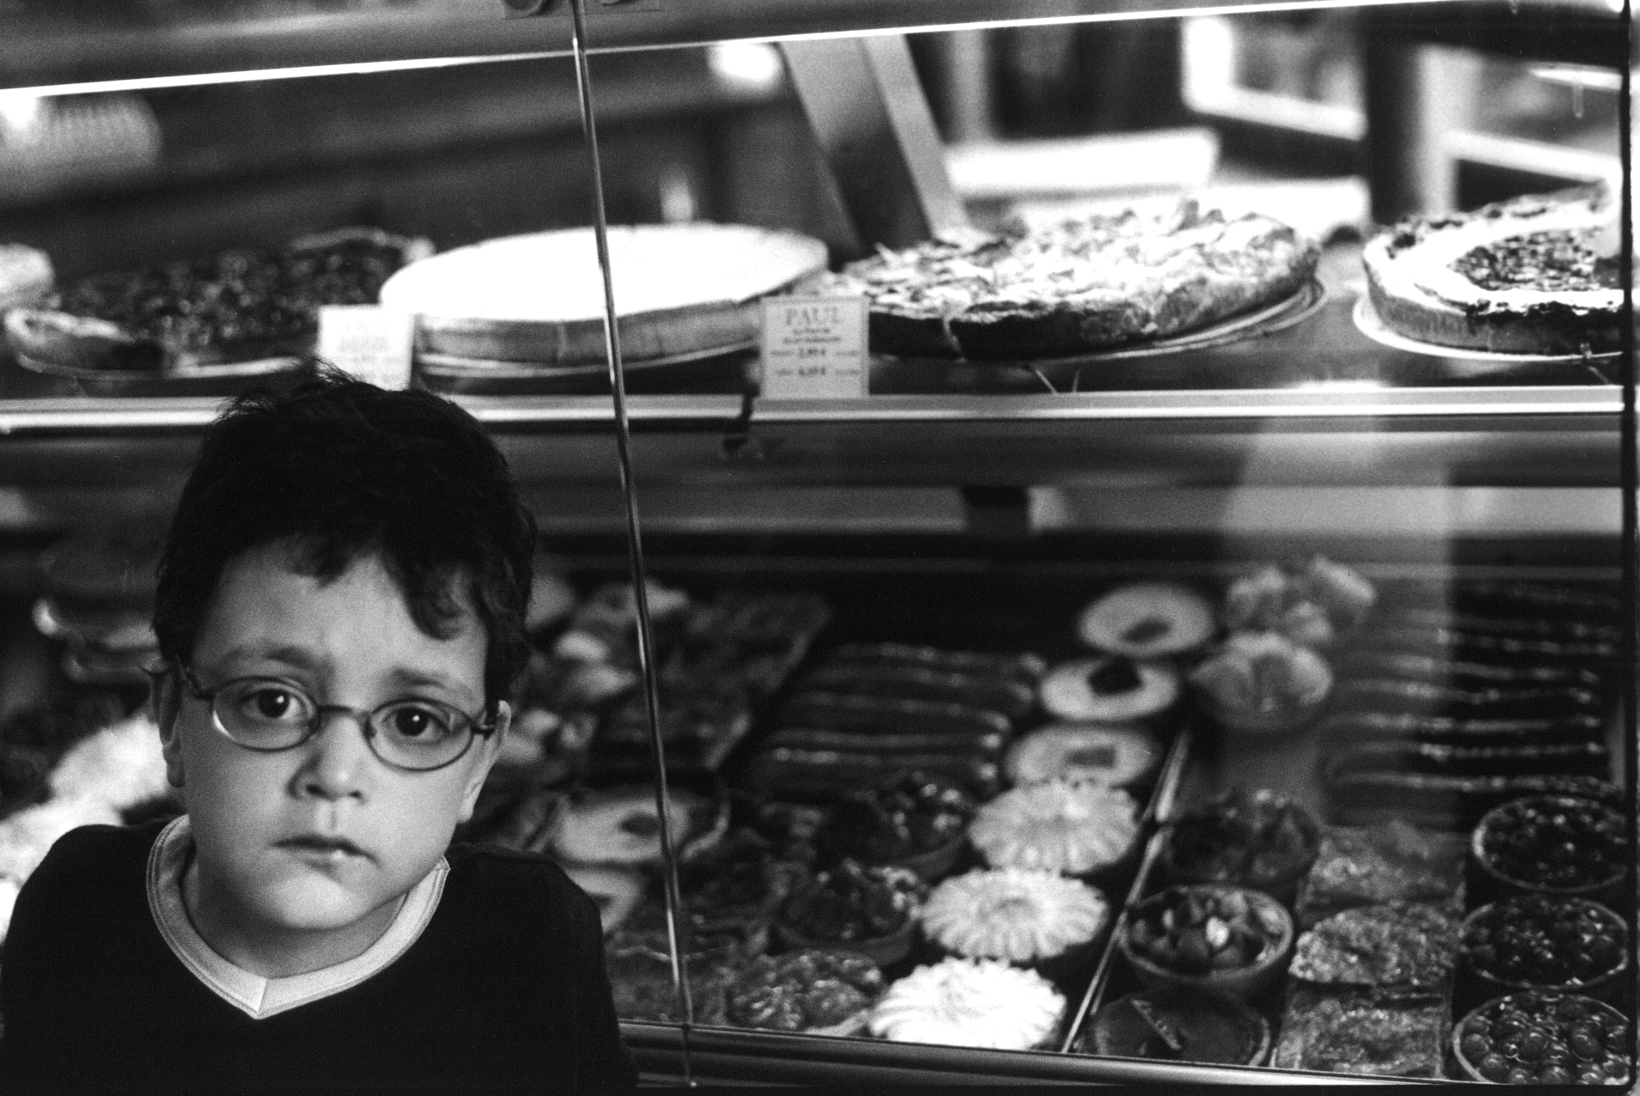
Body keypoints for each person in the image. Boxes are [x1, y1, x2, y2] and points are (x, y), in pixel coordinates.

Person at [0, 371, 638, 1094]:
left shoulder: (530, 938)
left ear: (478, 765)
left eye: (415, 720)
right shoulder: (77, 907)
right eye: (272, 702)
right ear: (172, 719)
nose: (334, 774)